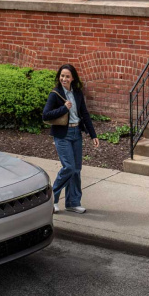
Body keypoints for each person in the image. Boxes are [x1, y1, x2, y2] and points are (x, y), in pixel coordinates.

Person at [42, 64, 99, 214]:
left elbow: (85, 114)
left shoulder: (78, 93)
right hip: (63, 135)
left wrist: (93, 135)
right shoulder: (55, 94)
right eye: (62, 76)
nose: (64, 79)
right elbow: (45, 115)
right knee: (69, 167)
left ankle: (73, 202)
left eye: (67, 76)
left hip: (76, 134)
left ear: (73, 78)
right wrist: (63, 108)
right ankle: (51, 198)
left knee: (76, 170)